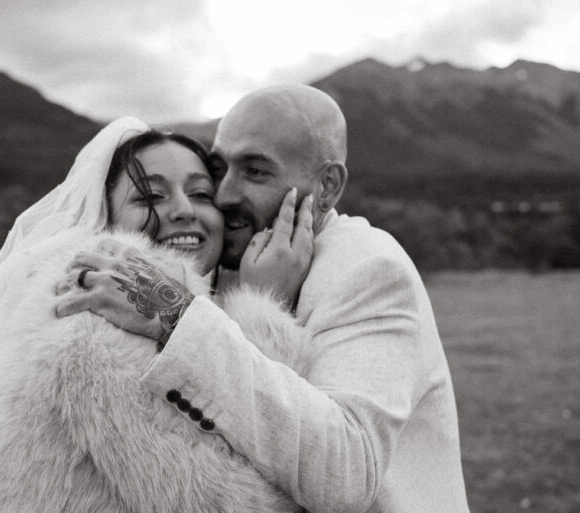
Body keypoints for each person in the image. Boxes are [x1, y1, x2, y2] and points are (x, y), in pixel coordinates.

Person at [57, 85, 471, 513]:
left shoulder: (367, 268)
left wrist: (177, 313)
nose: (225, 194)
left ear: (326, 186)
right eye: (220, 168)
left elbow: (347, 474)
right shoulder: (241, 254)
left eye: (255, 172)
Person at [0, 117, 307, 513]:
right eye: (150, 197)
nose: (184, 210)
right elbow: (238, 504)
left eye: (202, 193)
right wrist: (269, 303)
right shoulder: (88, 326)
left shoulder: (145, 308)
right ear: (104, 216)